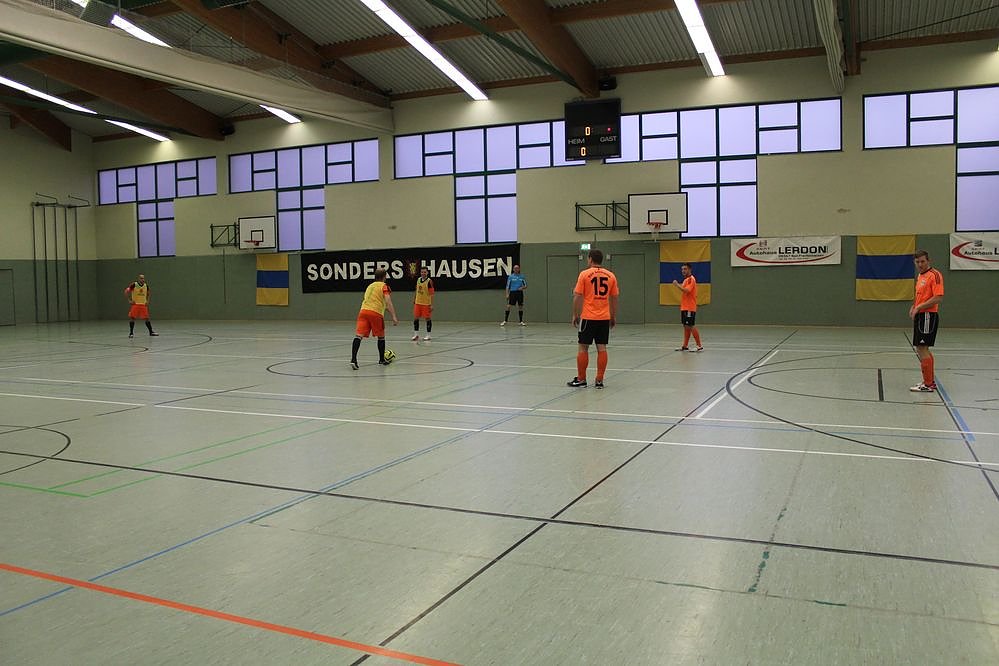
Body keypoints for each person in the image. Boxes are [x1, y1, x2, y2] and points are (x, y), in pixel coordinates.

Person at [567, 249, 619, 389]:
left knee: (583, 347)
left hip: (588, 317)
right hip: (604, 317)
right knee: (602, 348)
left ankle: (581, 379)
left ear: (590, 259)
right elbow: (614, 298)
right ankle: (599, 380)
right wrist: (613, 316)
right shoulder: (611, 275)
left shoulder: (584, 274)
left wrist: (575, 314)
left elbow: (577, 296)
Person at [909, 249, 944, 392]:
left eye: (922, 261)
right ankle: (929, 381)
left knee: (922, 348)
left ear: (928, 261)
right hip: (921, 315)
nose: (920, 264)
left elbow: (938, 297)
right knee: (923, 348)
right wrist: (914, 306)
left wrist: (919, 307)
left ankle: (928, 384)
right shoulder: (920, 276)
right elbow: (921, 295)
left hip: (928, 315)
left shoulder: (934, 275)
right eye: (917, 262)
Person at [350, 268, 398, 370]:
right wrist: (393, 316)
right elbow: (388, 301)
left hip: (363, 311)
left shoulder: (370, 286)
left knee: (358, 336)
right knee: (381, 337)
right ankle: (381, 359)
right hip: (375, 313)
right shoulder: (384, 286)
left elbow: (372, 299)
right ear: (384, 277)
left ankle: (353, 359)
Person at [672, 263, 703, 352]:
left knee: (691, 325)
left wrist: (677, 285)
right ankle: (685, 346)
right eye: (682, 269)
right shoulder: (685, 280)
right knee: (686, 326)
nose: (683, 271)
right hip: (684, 307)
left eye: (685, 269)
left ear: (690, 270)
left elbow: (687, 290)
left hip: (690, 307)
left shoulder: (691, 279)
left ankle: (699, 345)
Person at [124, 273, 158, 338]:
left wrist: (147, 301)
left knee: (147, 318)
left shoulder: (146, 286)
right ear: (139, 279)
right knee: (132, 318)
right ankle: (131, 333)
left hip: (143, 305)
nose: (142, 279)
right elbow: (126, 291)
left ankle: (151, 332)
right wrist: (129, 300)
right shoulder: (134, 285)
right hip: (135, 304)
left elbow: (148, 294)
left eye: (143, 278)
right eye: (141, 278)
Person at [411, 266, 435, 341]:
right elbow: (417, 290)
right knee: (416, 318)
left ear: (427, 273)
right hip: (418, 302)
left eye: (425, 272)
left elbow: (432, 294)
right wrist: (415, 298)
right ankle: (416, 335)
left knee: (427, 318)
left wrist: (431, 304)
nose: (423, 273)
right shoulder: (418, 279)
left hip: (426, 303)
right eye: (422, 272)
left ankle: (428, 335)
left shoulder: (429, 281)